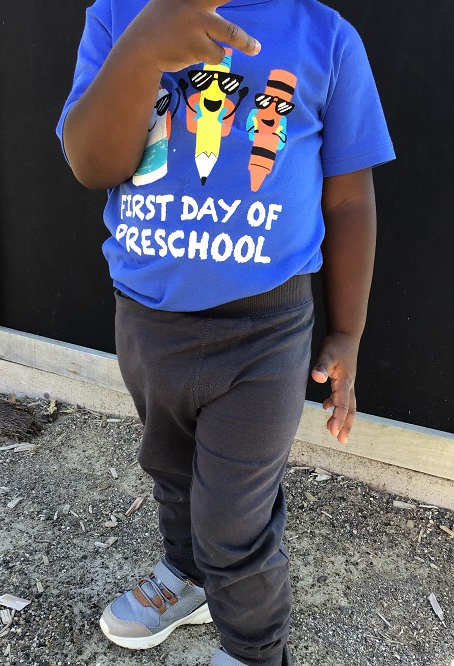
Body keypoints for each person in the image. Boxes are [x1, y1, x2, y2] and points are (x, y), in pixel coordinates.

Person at [56, 0, 395, 664]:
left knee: (234, 522)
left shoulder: (325, 38)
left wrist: (348, 332)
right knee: (171, 471)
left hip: (262, 333)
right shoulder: (117, 15)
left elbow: (350, 198)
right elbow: (92, 164)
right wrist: (144, 47)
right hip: (147, 321)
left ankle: (253, 648)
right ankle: (188, 575)